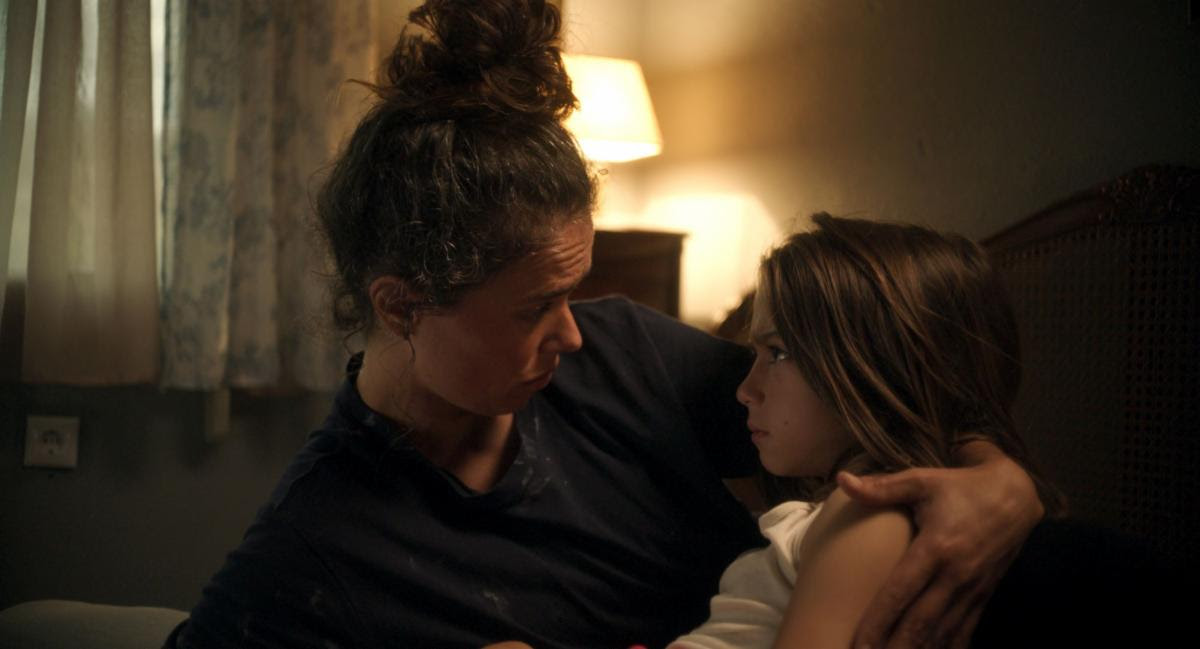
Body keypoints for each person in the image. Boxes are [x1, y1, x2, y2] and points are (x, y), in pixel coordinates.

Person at [164, 2, 1043, 648]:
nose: (573, 334)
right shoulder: (315, 550)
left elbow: (876, 403)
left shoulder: (630, 355)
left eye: (572, 293)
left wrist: (997, 479)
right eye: (533, 307)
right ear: (401, 305)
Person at [666, 213, 1064, 649]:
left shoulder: (865, 510)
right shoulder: (826, 506)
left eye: (777, 353)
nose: (745, 390)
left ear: (880, 370)